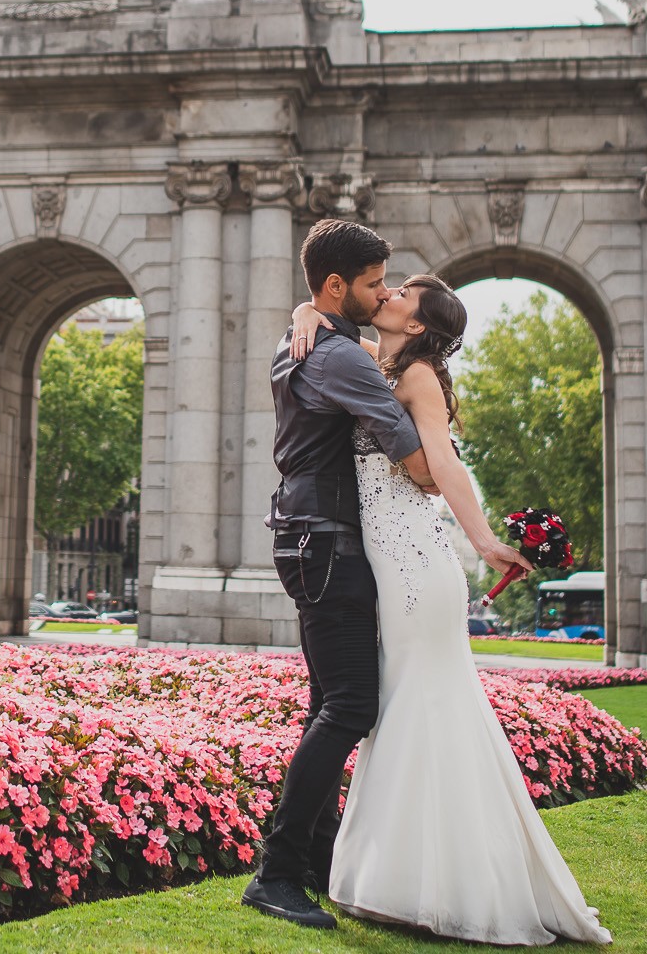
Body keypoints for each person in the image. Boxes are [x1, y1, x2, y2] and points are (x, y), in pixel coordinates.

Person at [285, 275, 612, 945]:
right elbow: (327, 324)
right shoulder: (374, 361)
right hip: (384, 561)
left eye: (403, 292)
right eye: (386, 284)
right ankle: (407, 877)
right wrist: (304, 311)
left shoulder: (418, 375)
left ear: (419, 324)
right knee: (402, 708)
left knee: (419, 707)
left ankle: (432, 883)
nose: (389, 292)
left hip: (415, 565)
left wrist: (486, 540)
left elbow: (444, 466)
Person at [240, 220, 440, 930]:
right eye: (374, 282)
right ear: (335, 285)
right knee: (351, 705)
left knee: (330, 702)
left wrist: (307, 311)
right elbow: (417, 459)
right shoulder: (343, 357)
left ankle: (313, 859)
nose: (384, 292)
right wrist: (441, 447)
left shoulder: (309, 339)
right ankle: (276, 873)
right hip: (326, 542)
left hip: (308, 536)